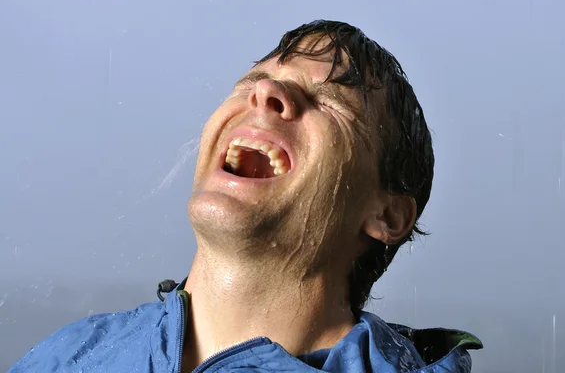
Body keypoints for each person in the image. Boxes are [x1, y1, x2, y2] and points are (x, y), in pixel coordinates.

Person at [9, 20, 482, 373]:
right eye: (251, 82)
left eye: (329, 100)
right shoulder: (67, 356)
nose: (265, 92)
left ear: (388, 214)